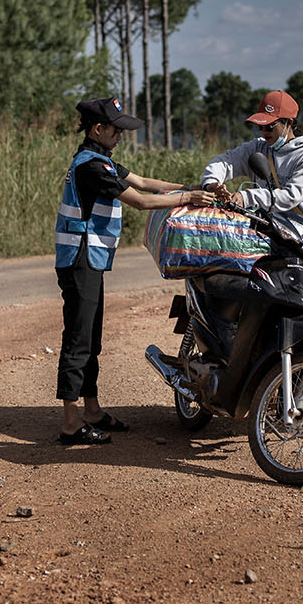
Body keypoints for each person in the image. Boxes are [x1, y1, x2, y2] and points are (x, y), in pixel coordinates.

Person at [53, 98, 213, 445]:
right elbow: (141, 201)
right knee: (78, 341)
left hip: (89, 260)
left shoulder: (102, 160)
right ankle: (69, 422)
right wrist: (190, 200)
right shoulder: (90, 167)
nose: (121, 135)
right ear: (98, 130)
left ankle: (92, 410)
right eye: (117, 129)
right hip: (79, 260)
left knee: (91, 339)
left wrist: (191, 190)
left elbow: (143, 182)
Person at [201, 90, 303, 253]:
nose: (264, 132)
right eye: (260, 126)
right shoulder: (258, 147)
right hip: (265, 233)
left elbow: (291, 196)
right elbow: (226, 161)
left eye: (269, 126)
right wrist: (211, 183)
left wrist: (246, 197)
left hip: (302, 238)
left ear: (288, 122)